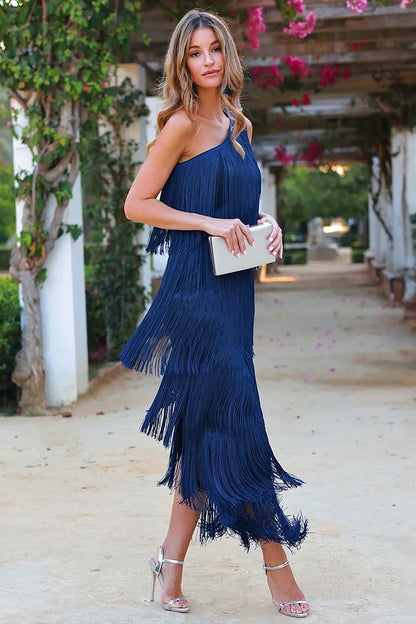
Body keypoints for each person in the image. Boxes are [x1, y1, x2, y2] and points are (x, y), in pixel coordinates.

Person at [120, 8, 309, 619]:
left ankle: (168, 563)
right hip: (195, 298)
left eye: (214, 50)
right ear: (182, 63)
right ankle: (278, 565)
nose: (206, 61)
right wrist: (206, 223)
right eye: (194, 52)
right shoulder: (179, 125)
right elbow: (137, 203)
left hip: (234, 298)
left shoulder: (237, 125)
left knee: (205, 430)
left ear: (228, 56)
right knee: (239, 423)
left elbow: (240, 212)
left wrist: (265, 224)